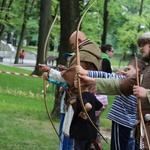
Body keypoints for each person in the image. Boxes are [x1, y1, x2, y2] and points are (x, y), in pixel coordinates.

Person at [76, 31, 150, 149]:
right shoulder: (146, 70)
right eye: (140, 44)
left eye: (144, 44)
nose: (141, 48)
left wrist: (147, 93)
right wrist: (91, 78)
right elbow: (120, 83)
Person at [39, 30, 102, 149]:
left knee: (75, 138)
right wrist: (66, 70)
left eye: (73, 45)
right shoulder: (91, 51)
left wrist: (49, 71)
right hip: (84, 95)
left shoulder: (84, 54)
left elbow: (71, 77)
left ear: (79, 41)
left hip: (78, 99)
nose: (73, 48)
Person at [69, 75, 103, 150]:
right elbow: (101, 106)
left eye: (75, 80)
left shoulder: (81, 96)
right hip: (90, 131)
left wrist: (82, 112)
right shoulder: (91, 95)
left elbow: (89, 106)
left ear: (80, 83)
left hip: (81, 131)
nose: (74, 82)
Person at [90, 44, 114, 149]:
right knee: (94, 125)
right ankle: (95, 145)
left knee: (94, 124)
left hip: (97, 98)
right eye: (112, 51)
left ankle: (95, 145)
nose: (113, 53)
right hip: (98, 97)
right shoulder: (105, 60)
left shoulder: (97, 59)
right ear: (107, 51)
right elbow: (106, 80)